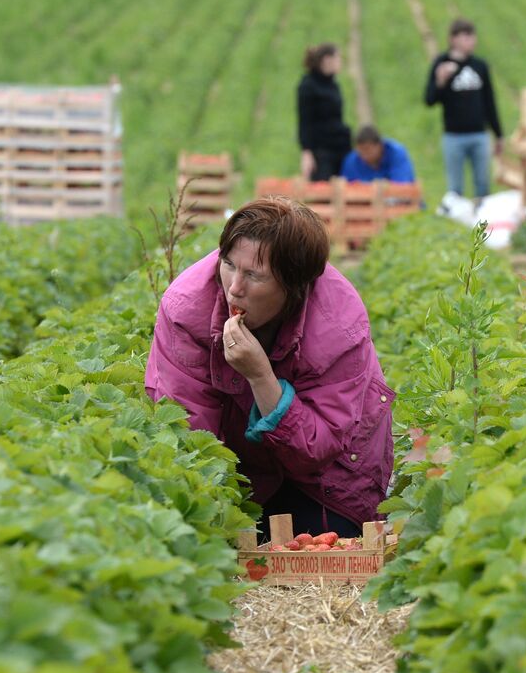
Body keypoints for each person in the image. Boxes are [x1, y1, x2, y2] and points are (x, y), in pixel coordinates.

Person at [145, 197, 395, 538]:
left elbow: (317, 449)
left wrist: (260, 376)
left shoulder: (338, 322)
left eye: (254, 275)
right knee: (232, 542)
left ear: (293, 286)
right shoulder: (187, 309)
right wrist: (216, 500)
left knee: (322, 543)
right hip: (242, 470)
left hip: (324, 477)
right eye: (230, 264)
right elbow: (188, 433)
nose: (234, 288)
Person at [424, 19, 503, 199]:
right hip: (453, 136)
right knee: (455, 188)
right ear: (453, 39)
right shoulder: (441, 64)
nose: (471, 42)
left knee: (483, 186)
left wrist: (498, 134)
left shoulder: (479, 66)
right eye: (466, 37)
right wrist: (440, 82)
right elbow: (429, 100)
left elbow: (489, 101)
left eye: (472, 37)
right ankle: (458, 223)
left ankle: (482, 225)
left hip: (479, 135)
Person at [297, 44, 352, 181]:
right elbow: (305, 121)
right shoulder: (308, 86)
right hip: (321, 150)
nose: (341, 62)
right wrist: (306, 152)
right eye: (338, 58)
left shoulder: (333, 85)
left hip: (340, 146)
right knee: (323, 191)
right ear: (327, 60)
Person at [341, 126, 417, 184]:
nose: (364, 155)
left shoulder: (396, 153)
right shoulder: (351, 161)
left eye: (368, 150)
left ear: (380, 145)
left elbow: (402, 184)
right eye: (361, 151)